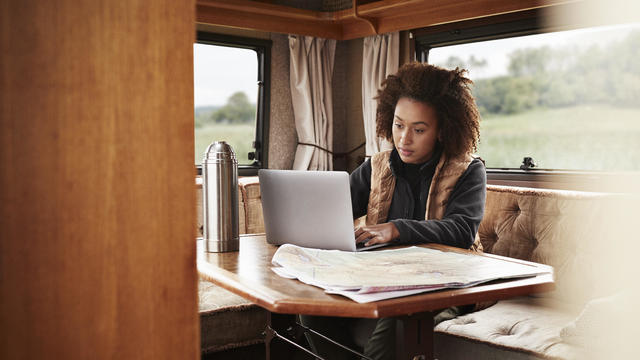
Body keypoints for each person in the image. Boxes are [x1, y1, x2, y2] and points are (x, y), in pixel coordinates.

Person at [300, 62, 487, 360]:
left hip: (443, 285)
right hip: (382, 280)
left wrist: (397, 228)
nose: (404, 138)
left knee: (397, 326)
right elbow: (333, 212)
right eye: (399, 125)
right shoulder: (375, 166)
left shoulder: (468, 170)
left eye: (419, 129)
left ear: (442, 130)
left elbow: (462, 231)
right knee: (308, 311)